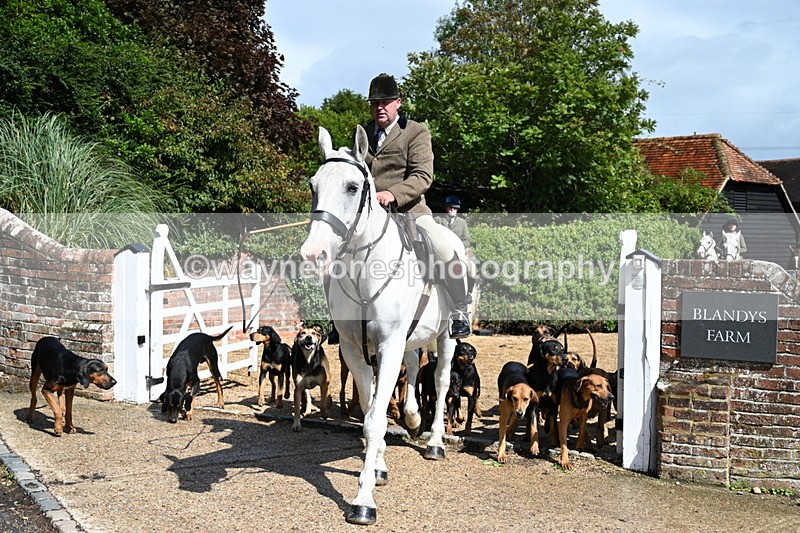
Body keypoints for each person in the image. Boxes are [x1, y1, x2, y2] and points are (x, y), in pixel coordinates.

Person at [364, 73, 470, 338]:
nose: (379, 107)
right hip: (369, 214)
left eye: (385, 101)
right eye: (374, 102)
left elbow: (423, 176)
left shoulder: (416, 131)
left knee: (444, 248)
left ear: (398, 102)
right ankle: (339, 319)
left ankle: (459, 310)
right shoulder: (363, 134)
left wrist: (392, 193)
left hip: (409, 211)